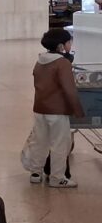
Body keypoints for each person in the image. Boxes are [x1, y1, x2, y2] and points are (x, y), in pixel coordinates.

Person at [22, 28, 84, 188]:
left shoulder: (40, 61)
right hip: (57, 111)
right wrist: (77, 109)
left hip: (40, 108)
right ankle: (57, 177)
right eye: (69, 42)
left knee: (39, 141)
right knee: (59, 144)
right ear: (61, 46)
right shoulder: (62, 63)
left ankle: (36, 173)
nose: (70, 45)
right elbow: (69, 89)